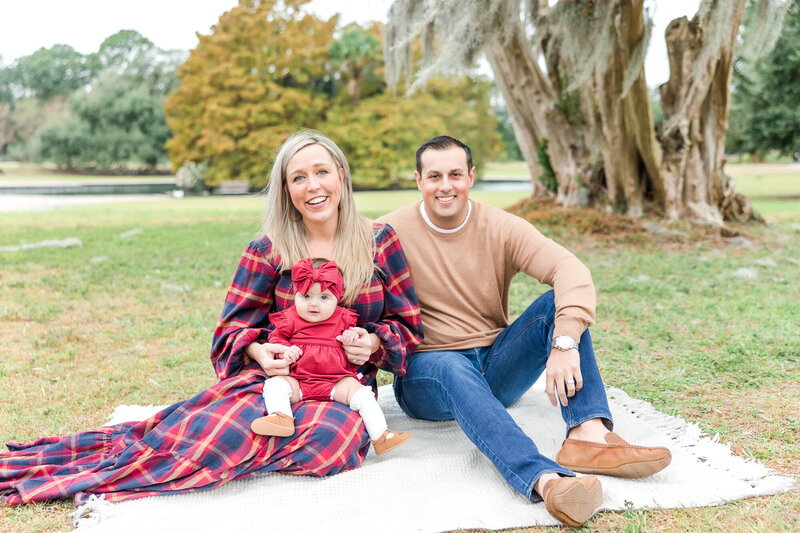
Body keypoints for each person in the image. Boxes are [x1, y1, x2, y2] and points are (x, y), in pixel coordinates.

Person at [0, 130, 422, 505]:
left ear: (342, 176)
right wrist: (260, 350)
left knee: (333, 446)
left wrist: (374, 343)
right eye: (298, 177)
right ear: (286, 189)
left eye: (322, 172)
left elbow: (408, 325)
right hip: (280, 382)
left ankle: (228, 456)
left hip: (340, 388)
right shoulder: (268, 249)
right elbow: (231, 330)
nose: (313, 186)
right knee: (226, 431)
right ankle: (153, 458)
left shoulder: (378, 242)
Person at [379, 135, 671, 527]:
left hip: (495, 365)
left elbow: (570, 269)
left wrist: (565, 341)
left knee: (558, 305)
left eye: (454, 174)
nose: (444, 185)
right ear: (418, 180)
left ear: (471, 176)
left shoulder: (500, 227)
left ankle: (587, 434)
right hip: (426, 374)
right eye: (434, 176)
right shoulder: (387, 231)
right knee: (449, 365)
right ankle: (546, 481)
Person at [252, 257, 412, 455]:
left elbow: (354, 336)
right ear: (296, 296)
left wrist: (351, 336)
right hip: (299, 380)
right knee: (275, 385)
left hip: (337, 382)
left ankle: (381, 436)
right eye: (306, 296)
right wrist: (285, 350)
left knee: (363, 395)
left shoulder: (343, 318)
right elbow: (276, 339)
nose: (314, 304)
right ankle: (281, 417)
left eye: (324, 298)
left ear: (338, 299)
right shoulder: (290, 319)